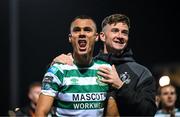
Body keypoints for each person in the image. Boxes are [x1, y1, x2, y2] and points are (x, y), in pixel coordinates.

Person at [52, 14, 157, 116]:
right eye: (115, 31)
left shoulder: (141, 72)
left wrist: (120, 86)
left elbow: (148, 111)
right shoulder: (86, 65)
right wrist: (54, 63)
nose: (120, 36)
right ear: (102, 36)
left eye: (124, 33)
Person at [35, 15, 112, 116]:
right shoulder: (57, 70)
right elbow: (41, 112)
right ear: (70, 38)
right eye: (76, 30)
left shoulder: (106, 69)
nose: (82, 33)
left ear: (96, 37)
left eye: (87, 30)